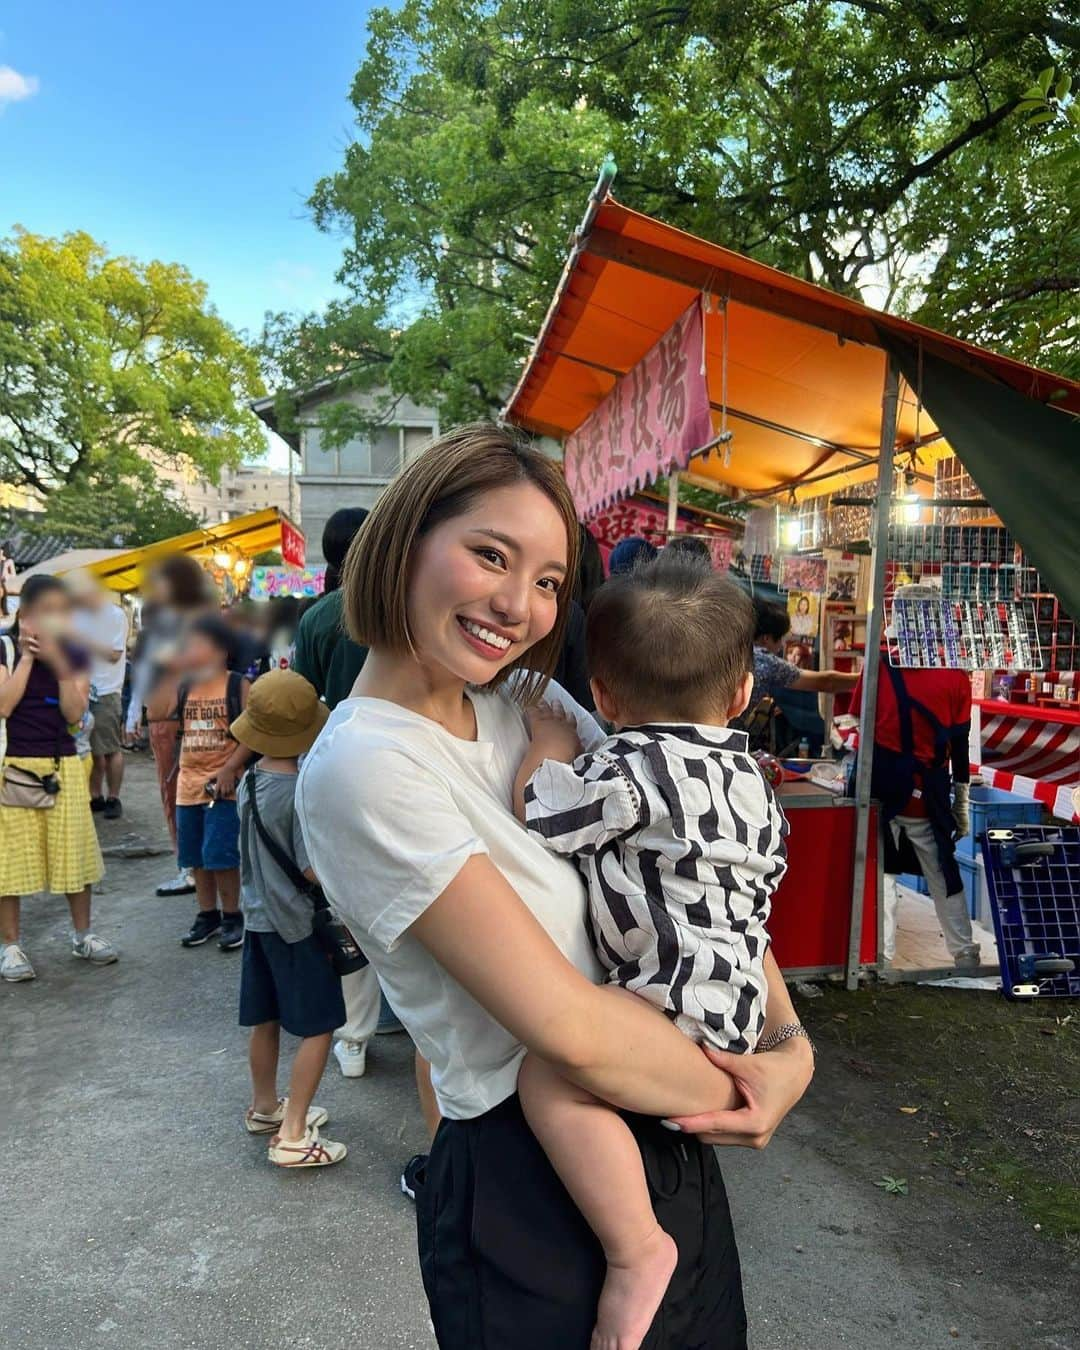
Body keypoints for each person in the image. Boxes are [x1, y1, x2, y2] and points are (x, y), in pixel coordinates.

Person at [296, 423, 814, 1349]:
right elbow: (565, 1030)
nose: (517, 606)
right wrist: (754, 1084)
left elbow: (689, 869)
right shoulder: (367, 767)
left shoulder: (529, 702)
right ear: (406, 539)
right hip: (533, 1179)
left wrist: (788, 1045)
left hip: (661, 1135)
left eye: (546, 582)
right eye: (489, 555)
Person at [513, 554, 789, 1349]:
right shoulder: (754, 780)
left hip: (666, 1001)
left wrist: (548, 741)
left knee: (550, 1075)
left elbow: (539, 816)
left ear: (601, 694)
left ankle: (636, 1249)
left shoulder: (623, 772)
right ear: (742, 694)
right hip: (735, 1004)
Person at [231, 669, 349, 1167]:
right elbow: (309, 868)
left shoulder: (249, 782)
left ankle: (265, 1108)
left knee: (266, 1018)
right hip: (296, 924)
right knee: (320, 1026)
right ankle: (294, 1133)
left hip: (257, 918)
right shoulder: (300, 793)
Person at [291, 506, 387, 1079]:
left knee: (344, 898)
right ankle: (403, 1010)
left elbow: (303, 702)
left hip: (331, 765)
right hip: (401, 763)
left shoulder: (319, 616)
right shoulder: (395, 607)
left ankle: (353, 1034)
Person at [0, 575, 116, 982]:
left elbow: (73, 713)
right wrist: (29, 660)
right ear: (26, 614)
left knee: (75, 856)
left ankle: (82, 935)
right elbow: (3, 706)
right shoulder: (4, 647)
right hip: (12, 766)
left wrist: (59, 662)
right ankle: (10, 945)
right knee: (8, 862)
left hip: (62, 765)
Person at [851, 644, 980, 970]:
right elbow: (960, 746)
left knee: (881, 872)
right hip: (929, 789)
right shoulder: (956, 677)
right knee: (942, 873)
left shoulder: (878, 665)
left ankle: (880, 956)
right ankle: (964, 953)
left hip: (880, 785)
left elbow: (859, 721)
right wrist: (961, 801)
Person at [137, 557, 214, 898]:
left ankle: (190, 868)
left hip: (175, 721)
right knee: (184, 794)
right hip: (169, 719)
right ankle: (194, 866)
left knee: (179, 795)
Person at [174, 615, 252, 952]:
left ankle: (233, 915)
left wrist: (230, 768)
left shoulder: (237, 685)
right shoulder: (183, 685)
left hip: (224, 785)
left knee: (220, 853)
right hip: (187, 783)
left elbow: (253, 731)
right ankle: (208, 915)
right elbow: (161, 713)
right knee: (194, 856)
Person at [292, 508, 370, 711]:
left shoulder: (314, 619)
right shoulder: (406, 605)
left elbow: (301, 693)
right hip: (409, 735)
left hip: (335, 732)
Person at [69, 572, 130, 820]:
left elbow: (114, 653)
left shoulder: (115, 615)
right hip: (79, 686)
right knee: (89, 748)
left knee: (110, 747)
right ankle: (95, 796)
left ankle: (114, 796)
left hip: (106, 689)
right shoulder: (76, 615)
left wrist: (83, 640)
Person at [742, 596, 859, 719]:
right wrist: (863, 678)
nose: (782, 644)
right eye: (780, 638)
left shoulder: (737, 649)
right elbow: (826, 682)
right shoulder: (766, 662)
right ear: (766, 638)